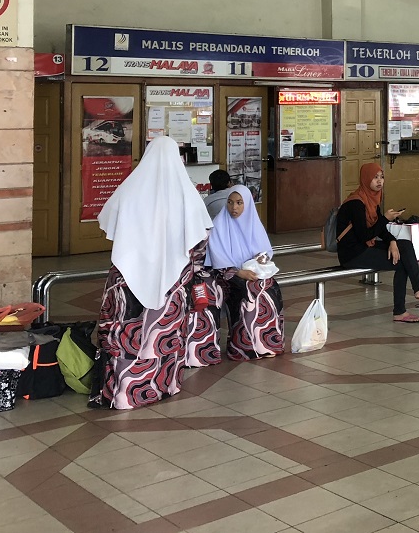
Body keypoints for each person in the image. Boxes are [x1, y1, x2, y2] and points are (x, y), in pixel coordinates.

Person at [92, 135, 218, 410]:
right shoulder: (188, 196)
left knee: (127, 335)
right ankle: (164, 385)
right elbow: (200, 241)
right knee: (163, 335)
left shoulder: (129, 190)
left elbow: (107, 224)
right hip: (173, 286)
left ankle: (124, 393)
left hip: (127, 283)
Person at [336, 163, 419, 323]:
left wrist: (392, 241)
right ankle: (403, 308)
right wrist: (385, 219)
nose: (379, 181)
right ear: (366, 179)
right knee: (403, 262)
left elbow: (379, 229)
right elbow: (364, 235)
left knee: (405, 246)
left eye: (382, 177)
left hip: (365, 247)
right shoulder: (356, 203)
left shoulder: (372, 200)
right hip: (352, 253)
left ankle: (418, 290)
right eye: (375, 177)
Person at [206, 184, 283, 360]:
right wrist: (239, 273)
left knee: (269, 288)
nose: (234, 208)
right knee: (250, 291)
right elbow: (218, 260)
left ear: (247, 203)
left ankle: (267, 343)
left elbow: (264, 251)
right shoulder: (219, 224)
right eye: (231, 202)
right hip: (227, 275)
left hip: (251, 272)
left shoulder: (254, 223)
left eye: (239, 203)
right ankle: (244, 346)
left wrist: (261, 259)